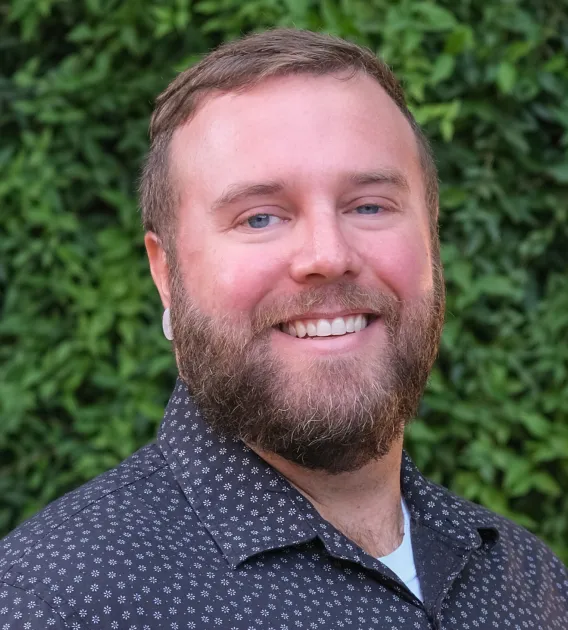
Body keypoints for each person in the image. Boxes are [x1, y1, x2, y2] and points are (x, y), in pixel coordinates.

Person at [0, 28, 566, 630]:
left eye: (369, 205)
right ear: (166, 274)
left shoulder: (529, 578)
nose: (327, 254)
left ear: (431, 240)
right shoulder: (58, 600)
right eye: (260, 217)